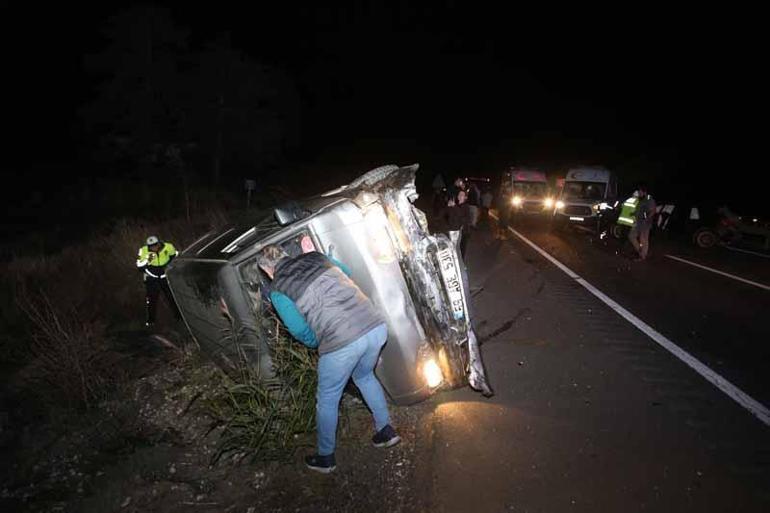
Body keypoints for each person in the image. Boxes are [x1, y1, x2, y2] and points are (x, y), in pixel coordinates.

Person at [257, 245, 399, 474]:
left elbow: (298, 329)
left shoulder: (278, 290)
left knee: (327, 398)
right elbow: (347, 273)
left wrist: (318, 342)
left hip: (341, 342)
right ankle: (386, 431)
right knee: (364, 376)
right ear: (286, 255)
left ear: (268, 272)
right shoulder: (316, 257)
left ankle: (326, 457)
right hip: (374, 325)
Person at [136, 235, 179, 327]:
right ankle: (150, 321)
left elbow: (176, 256)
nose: (154, 247)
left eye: (155, 245)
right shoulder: (143, 250)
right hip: (152, 277)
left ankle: (179, 318)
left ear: (159, 243)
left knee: (172, 296)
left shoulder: (168, 247)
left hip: (165, 276)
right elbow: (139, 266)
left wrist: (171, 266)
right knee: (151, 300)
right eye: (151, 246)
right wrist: (148, 259)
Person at [628, 183, 657, 260]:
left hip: (645, 223)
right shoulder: (641, 200)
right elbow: (639, 210)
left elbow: (653, 211)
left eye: (640, 192)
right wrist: (633, 214)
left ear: (644, 192)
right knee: (631, 236)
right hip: (638, 222)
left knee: (643, 239)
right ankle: (640, 251)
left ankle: (642, 255)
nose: (639, 193)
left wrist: (646, 219)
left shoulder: (649, 199)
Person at [446, 189, 473, 257]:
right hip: (453, 231)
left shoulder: (466, 207)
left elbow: (466, 219)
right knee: (452, 250)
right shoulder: (455, 205)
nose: (460, 196)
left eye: (462, 195)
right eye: (459, 194)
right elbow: (448, 216)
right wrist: (448, 207)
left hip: (462, 233)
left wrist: (454, 206)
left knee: (460, 251)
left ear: (465, 197)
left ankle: (461, 266)